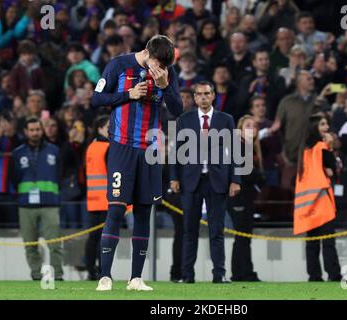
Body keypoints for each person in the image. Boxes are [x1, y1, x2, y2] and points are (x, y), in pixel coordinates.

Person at [92, 35, 182, 291]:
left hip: (150, 150)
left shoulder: (167, 72)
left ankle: (135, 279)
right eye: (157, 64)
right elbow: (96, 99)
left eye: (165, 66)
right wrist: (127, 94)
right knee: (117, 209)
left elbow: (178, 110)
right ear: (147, 52)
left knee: (144, 211)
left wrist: (165, 85)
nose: (160, 69)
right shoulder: (119, 65)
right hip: (122, 147)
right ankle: (105, 276)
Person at [170, 81, 241, 284]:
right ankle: (187, 275)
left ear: (213, 96)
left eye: (206, 93)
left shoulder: (226, 119)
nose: (202, 97)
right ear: (194, 98)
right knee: (189, 231)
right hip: (190, 181)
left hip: (216, 180)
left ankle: (219, 275)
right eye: (199, 94)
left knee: (216, 231)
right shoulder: (184, 119)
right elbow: (176, 152)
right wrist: (174, 177)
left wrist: (235, 179)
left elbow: (235, 151)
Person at [11, 117, 63, 281]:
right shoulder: (18, 153)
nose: (35, 133)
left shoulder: (54, 151)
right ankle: (36, 274)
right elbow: (13, 178)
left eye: (37, 129)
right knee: (30, 244)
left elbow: (61, 174)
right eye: (31, 130)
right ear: (26, 132)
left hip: (50, 203)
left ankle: (58, 275)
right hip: (26, 204)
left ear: (42, 130)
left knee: (54, 243)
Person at [294, 114, 342, 282]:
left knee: (312, 242)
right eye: (322, 124)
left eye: (327, 124)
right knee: (328, 241)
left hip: (307, 204)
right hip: (322, 201)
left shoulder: (304, 150)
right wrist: (330, 146)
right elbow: (331, 169)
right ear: (315, 127)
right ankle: (334, 275)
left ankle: (314, 276)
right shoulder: (322, 146)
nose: (326, 127)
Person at [227, 115, 264, 282]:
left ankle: (242, 272)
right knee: (242, 235)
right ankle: (243, 273)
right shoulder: (238, 147)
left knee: (244, 236)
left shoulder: (250, 149)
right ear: (240, 129)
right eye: (248, 125)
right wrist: (258, 176)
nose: (252, 128)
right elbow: (243, 173)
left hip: (246, 197)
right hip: (238, 197)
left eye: (255, 125)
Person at [84, 115, 110, 280]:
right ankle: (103, 271)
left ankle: (91, 270)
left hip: (93, 199)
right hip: (107, 200)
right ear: (100, 129)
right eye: (109, 127)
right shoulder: (108, 147)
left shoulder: (91, 146)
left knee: (93, 238)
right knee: (105, 239)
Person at [0, 110, 21, 228]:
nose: (5, 124)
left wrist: (12, 135)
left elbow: (19, 151)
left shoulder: (19, 139)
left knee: (13, 227)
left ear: (14, 123)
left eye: (9, 121)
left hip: (12, 192)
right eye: (3, 121)